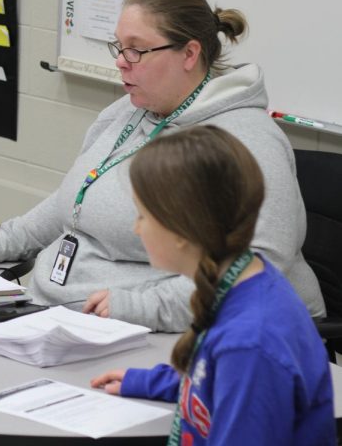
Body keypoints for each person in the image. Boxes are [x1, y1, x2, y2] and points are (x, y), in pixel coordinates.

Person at [0, 0, 324, 332]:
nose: (120, 61)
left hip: (163, 330)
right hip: (60, 314)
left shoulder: (246, 141)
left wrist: (138, 307)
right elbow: (72, 201)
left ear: (189, 54)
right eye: (119, 46)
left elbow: (254, 267)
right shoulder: (129, 112)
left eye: (136, 50)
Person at [90, 126, 334, 445]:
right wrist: (153, 382)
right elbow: (214, 377)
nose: (136, 229)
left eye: (143, 216)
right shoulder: (246, 280)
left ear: (181, 229)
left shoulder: (250, 343)